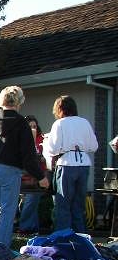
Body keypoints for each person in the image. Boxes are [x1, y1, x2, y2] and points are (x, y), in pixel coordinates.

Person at [0, 86, 49, 247]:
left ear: (1, 101)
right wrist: (41, 177)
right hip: (9, 170)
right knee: (8, 212)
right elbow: (28, 156)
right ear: (19, 102)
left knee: (3, 209)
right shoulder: (21, 123)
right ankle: (2, 249)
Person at [42, 95, 98, 232]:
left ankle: (63, 238)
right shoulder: (84, 122)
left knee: (63, 205)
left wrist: (47, 141)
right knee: (79, 205)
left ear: (59, 109)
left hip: (66, 164)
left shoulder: (59, 123)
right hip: (83, 164)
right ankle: (81, 237)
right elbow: (94, 146)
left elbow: (53, 149)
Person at [17, 116, 46, 234]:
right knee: (27, 202)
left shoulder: (42, 140)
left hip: (38, 176)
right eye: (30, 127)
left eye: (34, 126)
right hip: (24, 176)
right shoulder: (20, 139)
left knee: (32, 201)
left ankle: (26, 228)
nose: (33, 129)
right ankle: (32, 228)